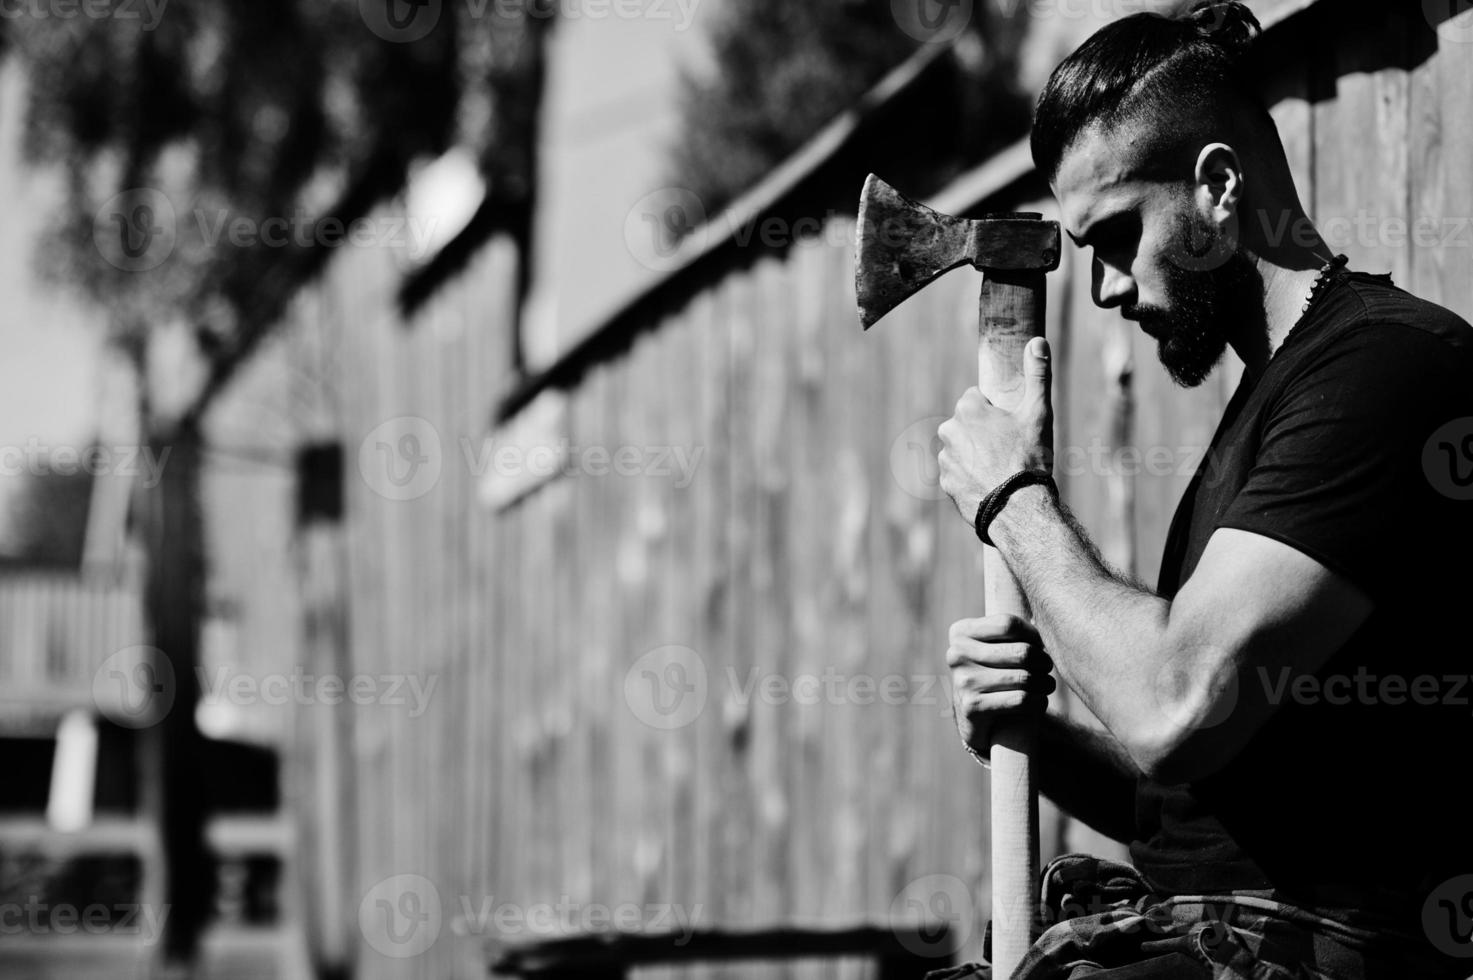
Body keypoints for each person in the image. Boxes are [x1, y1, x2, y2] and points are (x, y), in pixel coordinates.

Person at [933, 2, 1473, 977]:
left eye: (1113, 235)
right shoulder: (1268, 410)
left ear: (1219, 187)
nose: (1101, 288)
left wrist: (1013, 495)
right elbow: (1193, 799)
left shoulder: (1389, 370)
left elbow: (1173, 702)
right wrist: (1037, 737)